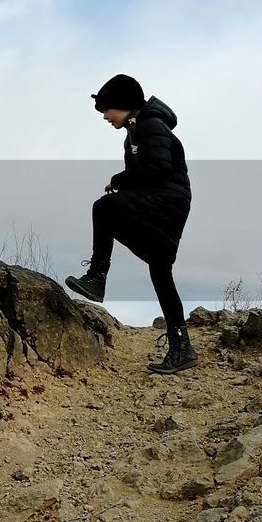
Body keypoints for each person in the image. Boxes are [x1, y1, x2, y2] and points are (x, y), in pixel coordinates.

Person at [65, 74, 197, 374]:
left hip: (167, 205)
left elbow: (158, 169)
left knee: (104, 208)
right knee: (160, 273)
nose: (105, 117)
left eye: (106, 110)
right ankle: (182, 349)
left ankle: (97, 277)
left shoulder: (150, 125)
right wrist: (124, 186)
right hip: (165, 206)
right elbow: (146, 175)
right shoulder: (136, 131)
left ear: (122, 104)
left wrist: (119, 181)